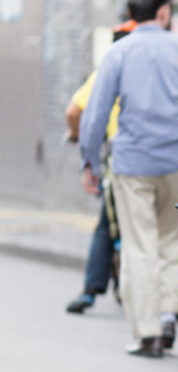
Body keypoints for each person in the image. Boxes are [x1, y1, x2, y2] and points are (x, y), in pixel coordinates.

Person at [80, 0, 178, 358]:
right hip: (176, 162)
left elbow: (95, 115)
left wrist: (89, 161)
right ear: (164, 12)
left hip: (132, 165)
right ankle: (170, 314)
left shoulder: (119, 52)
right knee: (171, 241)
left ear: (130, 15)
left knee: (140, 246)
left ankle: (148, 334)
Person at [65, 19, 137, 315]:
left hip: (121, 160)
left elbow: (75, 112)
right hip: (168, 160)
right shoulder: (159, 67)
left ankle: (91, 291)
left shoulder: (106, 70)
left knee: (107, 226)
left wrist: (78, 139)